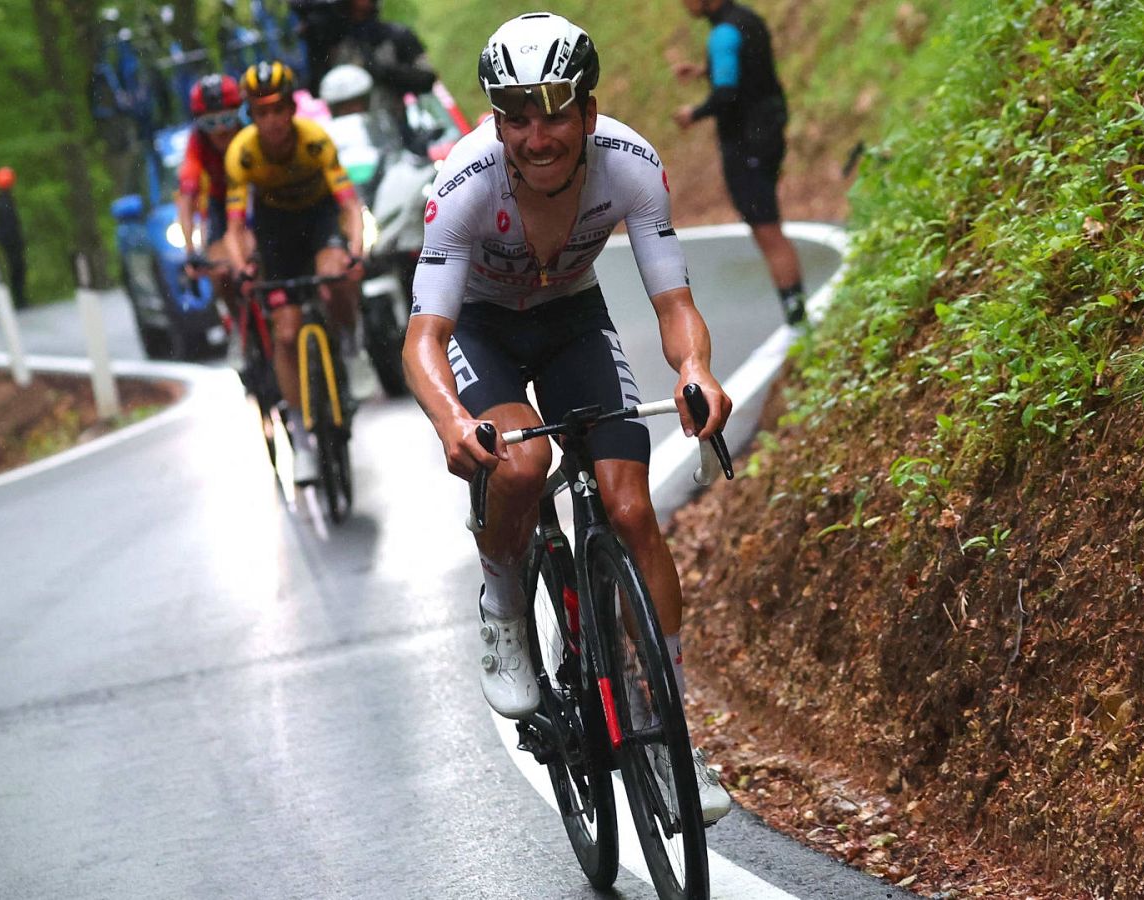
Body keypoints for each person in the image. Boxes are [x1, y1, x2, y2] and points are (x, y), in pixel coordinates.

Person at [401, 13, 733, 824]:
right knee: (519, 466)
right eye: (516, 115)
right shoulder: (463, 183)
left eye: (555, 111)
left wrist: (694, 370)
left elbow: (675, 303)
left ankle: (670, 727)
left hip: (573, 320)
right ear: (495, 120)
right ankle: (505, 605)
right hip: (482, 328)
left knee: (629, 509)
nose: (537, 134)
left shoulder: (631, 167)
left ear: (589, 112)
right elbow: (424, 339)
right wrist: (452, 421)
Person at [220, 60, 365, 486]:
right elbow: (234, 227)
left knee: (337, 274)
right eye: (260, 112)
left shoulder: (315, 141)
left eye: (278, 110)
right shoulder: (242, 152)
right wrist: (243, 265)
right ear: (251, 115)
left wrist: (355, 250)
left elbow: (350, 206)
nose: (271, 121)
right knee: (284, 332)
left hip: (318, 222)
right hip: (276, 232)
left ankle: (351, 349)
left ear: (291, 109)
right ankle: (301, 439)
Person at [672, 0, 806, 325]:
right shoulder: (748, 19)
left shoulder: (722, 34)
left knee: (767, 228)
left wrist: (694, 113)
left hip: (746, 142)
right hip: (769, 131)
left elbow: (727, 93)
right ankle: (797, 310)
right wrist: (705, 70)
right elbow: (751, 67)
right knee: (768, 223)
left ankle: (797, 316)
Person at [304, 0, 437, 152]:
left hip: (399, 136)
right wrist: (315, 46)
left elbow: (427, 78)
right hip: (352, 144)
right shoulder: (333, 46)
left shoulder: (395, 36)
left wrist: (384, 72)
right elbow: (315, 90)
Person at [177, 74, 248, 307]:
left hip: (258, 197)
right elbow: (187, 197)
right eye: (209, 123)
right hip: (222, 205)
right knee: (221, 271)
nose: (219, 132)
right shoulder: (197, 143)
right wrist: (190, 250)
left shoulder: (251, 131)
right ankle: (238, 323)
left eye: (226, 120)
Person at [0, 167, 29, 310]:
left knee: (17, 268)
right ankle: (19, 299)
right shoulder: (3, 202)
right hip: (11, 242)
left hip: (10, 241)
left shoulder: (4, 200)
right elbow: (8, 225)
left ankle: (20, 298)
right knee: (17, 268)